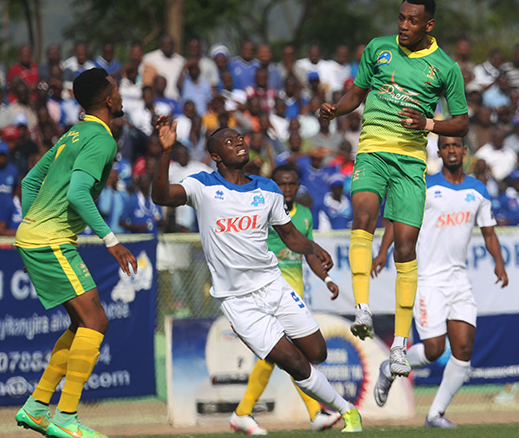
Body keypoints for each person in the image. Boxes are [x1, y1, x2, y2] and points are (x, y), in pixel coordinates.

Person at [152, 118, 362, 432]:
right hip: (238, 301)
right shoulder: (202, 185)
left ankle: (318, 410)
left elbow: (290, 236)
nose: (239, 142)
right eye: (229, 140)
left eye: (240, 138)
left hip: (274, 286)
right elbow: (160, 196)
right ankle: (347, 412)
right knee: (293, 361)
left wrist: (313, 248)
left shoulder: (268, 188)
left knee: (318, 352)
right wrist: (165, 152)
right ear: (216, 157)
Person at [317, 0, 469, 376]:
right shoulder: (378, 48)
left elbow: (462, 122)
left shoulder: (445, 68)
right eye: (400, 18)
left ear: (428, 25)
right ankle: (362, 309)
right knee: (364, 215)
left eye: (412, 20)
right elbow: (357, 93)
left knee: (405, 246)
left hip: (410, 162)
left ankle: (400, 346)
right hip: (372, 151)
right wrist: (337, 107)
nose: (403, 26)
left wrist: (429, 124)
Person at [14, 68, 139, 438]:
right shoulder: (102, 139)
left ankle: (37, 407)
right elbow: (78, 193)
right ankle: (66, 418)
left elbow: (29, 181)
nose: (119, 97)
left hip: (39, 235)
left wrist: (32, 222)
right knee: (97, 321)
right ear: (107, 100)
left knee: (82, 323)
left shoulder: (73, 132)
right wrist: (112, 241)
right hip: (49, 239)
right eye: (116, 92)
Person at [370, 135, 507, 428]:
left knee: (464, 350)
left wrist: (499, 262)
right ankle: (388, 368)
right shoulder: (426, 187)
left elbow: (489, 233)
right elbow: (396, 219)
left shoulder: (478, 191)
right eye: (445, 146)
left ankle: (435, 414)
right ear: (439, 151)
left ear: (465, 151)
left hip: (458, 279)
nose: (451, 150)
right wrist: (383, 252)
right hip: (427, 279)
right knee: (433, 350)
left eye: (456, 145)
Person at [230, 163, 344, 433]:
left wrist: (326, 279)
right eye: (282, 184)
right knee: (287, 355)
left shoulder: (304, 214)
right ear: (274, 185)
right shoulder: (264, 211)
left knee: (284, 356)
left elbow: (309, 253)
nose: (288, 189)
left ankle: (243, 413)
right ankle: (314, 413)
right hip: (268, 294)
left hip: (294, 296)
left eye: (292, 184)